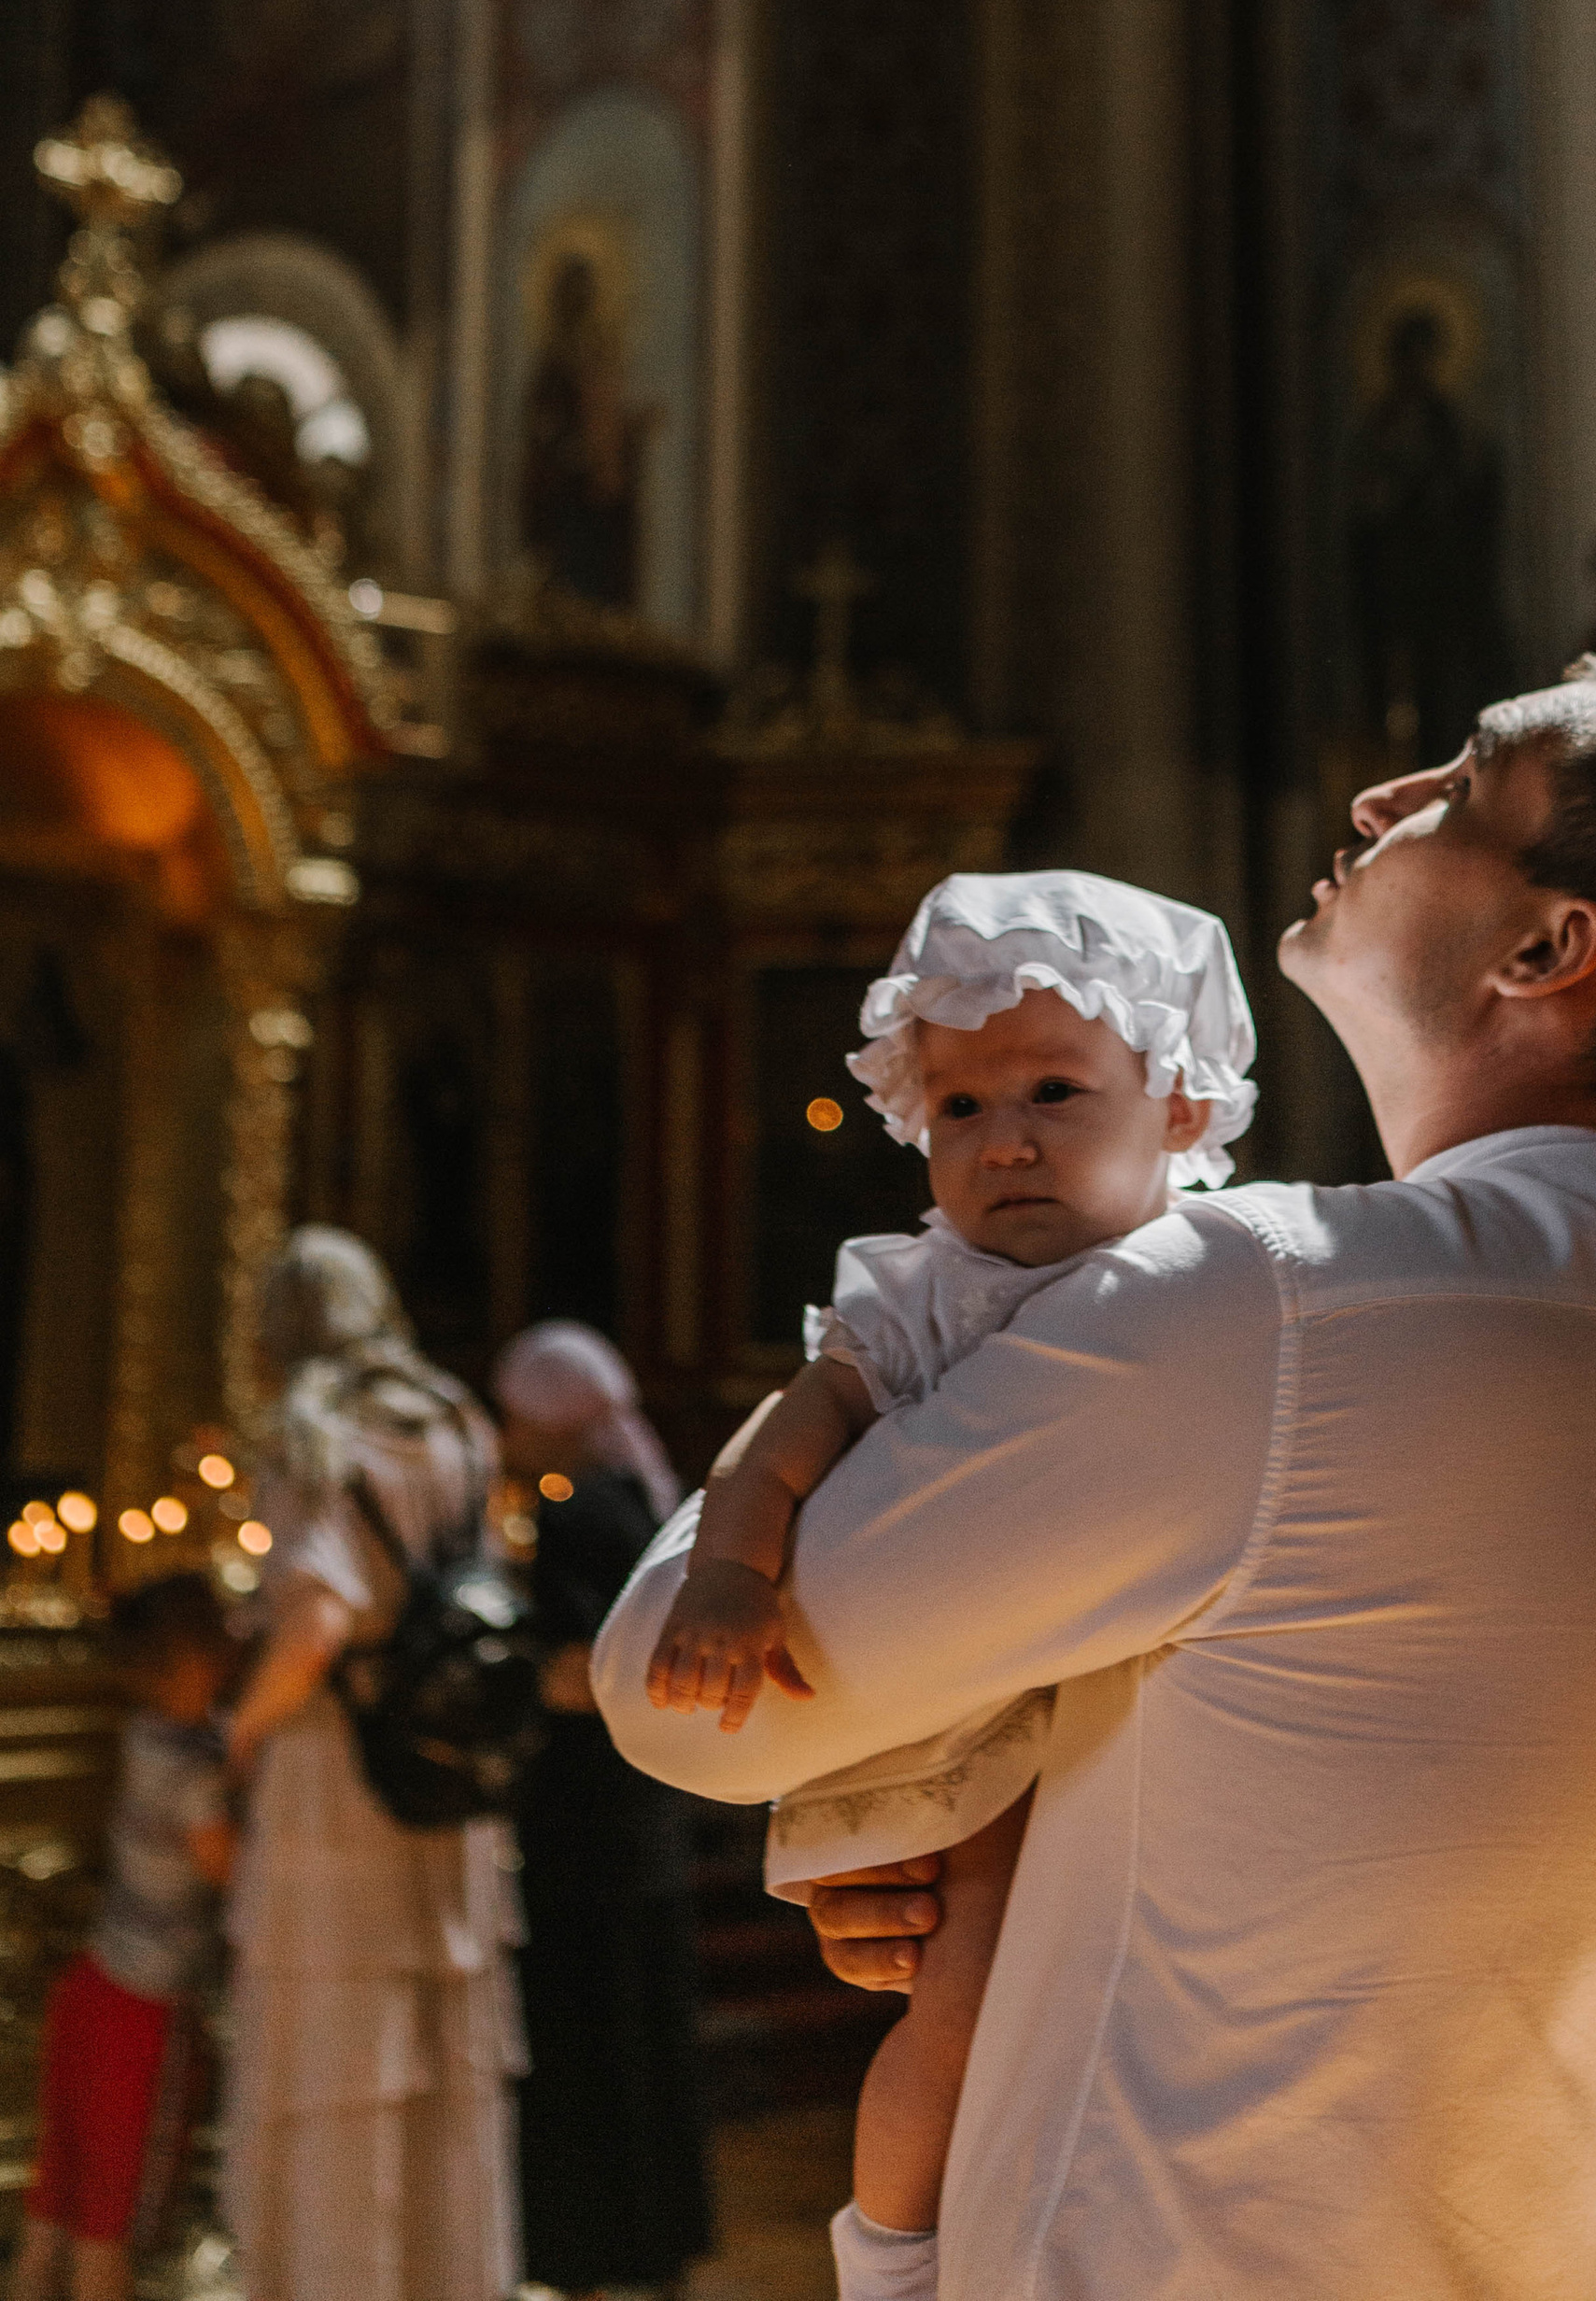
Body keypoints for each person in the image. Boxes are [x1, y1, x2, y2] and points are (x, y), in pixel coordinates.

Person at [595, 654, 1596, 2300]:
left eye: (1459, 787)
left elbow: (674, 1698)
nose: (1380, 796)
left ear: (1547, 950)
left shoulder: (1262, 1299)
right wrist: (1010, 1826)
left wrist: (899, 1665)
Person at [643, 871, 1257, 2301]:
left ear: (1181, 1103)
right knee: (967, 1998)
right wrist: (732, 1568)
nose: (1005, 1141)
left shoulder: (1227, 1277)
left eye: (1055, 1093)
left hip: (1161, 1699)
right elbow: (785, 1435)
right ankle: (897, 2254)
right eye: (962, 1107)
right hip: (979, 1711)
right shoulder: (926, 1296)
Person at [221, 1229, 521, 2301]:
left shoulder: (314, 1427)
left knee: (338, 2055)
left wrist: (242, 1726)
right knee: (438, 2060)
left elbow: (317, 1620)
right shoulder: (453, 1417)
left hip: (337, 1773)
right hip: (447, 1765)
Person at [489, 1320, 713, 2300]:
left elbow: (585, 1671)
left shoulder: (575, 1512)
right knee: (648, 2044)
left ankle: (588, 2259)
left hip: (582, 1833)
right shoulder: (641, 1499)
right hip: (643, 1817)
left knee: (589, 2052)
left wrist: (504, 1675)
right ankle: (658, 2254)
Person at [13, 1575, 236, 2301]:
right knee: (111, 2219)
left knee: (57, 2200)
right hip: (145, 2009)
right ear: (192, 1660)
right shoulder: (197, 1773)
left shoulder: (145, 1736)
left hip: (91, 1984)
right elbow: (225, 1866)